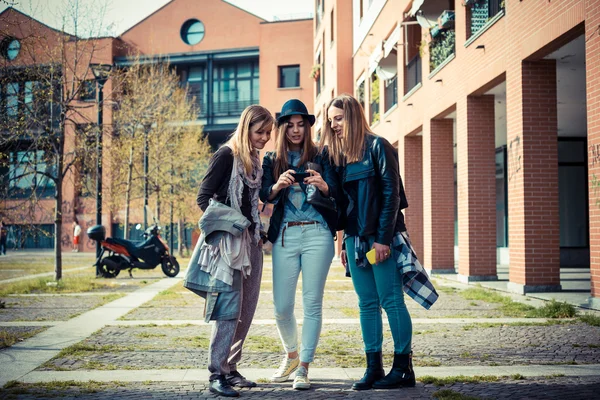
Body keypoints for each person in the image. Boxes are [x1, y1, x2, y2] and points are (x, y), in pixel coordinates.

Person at [322, 94, 438, 391]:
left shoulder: (379, 146)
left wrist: (383, 240)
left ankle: (403, 368)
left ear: (353, 116)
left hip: (380, 240)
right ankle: (373, 367)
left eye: (339, 118)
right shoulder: (340, 157)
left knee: (391, 301)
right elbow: (343, 203)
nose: (333, 124)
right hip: (354, 240)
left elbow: (392, 196)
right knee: (367, 304)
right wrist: (344, 242)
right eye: (331, 120)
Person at [195, 105, 274, 398]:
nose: (265, 138)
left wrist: (256, 230)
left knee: (246, 309)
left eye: (268, 133)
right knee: (227, 310)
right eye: (260, 132)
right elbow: (203, 198)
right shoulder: (227, 155)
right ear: (246, 128)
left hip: (251, 243)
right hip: (229, 244)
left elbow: (251, 200)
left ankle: (231, 367)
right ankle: (217, 373)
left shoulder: (254, 159)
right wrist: (234, 223)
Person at [260, 99, 338, 390]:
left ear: (307, 126)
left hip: (318, 232)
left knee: (312, 303)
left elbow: (338, 195)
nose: (295, 130)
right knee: (281, 306)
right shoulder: (272, 159)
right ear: (282, 128)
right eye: (289, 125)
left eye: (300, 124)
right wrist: (278, 186)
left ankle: (304, 367)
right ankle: (291, 355)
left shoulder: (323, 155)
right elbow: (265, 195)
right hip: (285, 235)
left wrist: (325, 186)